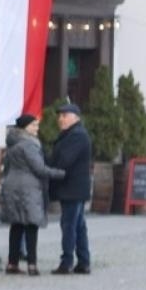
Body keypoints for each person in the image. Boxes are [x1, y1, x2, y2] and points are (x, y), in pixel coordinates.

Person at [0, 113, 65, 275]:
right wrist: (61, 174)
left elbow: (6, 168)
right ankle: (32, 265)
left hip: (12, 186)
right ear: (24, 127)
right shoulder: (29, 144)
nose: (37, 128)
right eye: (34, 125)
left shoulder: (12, 142)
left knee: (16, 226)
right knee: (31, 225)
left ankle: (12, 263)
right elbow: (39, 168)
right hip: (28, 188)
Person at [49, 102, 94, 274]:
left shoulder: (77, 135)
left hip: (72, 189)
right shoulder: (72, 134)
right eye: (60, 116)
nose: (61, 119)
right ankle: (83, 261)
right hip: (74, 189)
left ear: (75, 118)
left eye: (65, 116)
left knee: (69, 225)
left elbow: (64, 161)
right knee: (78, 225)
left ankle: (67, 262)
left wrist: (50, 167)